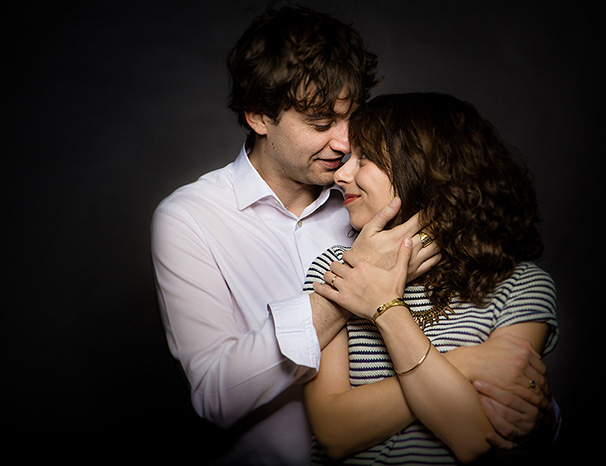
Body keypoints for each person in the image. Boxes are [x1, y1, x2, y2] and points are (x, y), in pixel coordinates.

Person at [151, 6, 557, 465]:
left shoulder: (375, 200)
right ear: (259, 117)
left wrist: (535, 412)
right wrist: (354, 287)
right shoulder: (191, 218)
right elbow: (216, 396)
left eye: (352, 119)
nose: (344, 144)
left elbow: (495, 351)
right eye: (321, 124)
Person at [304, 93, 559, 464]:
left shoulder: (522, 286)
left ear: (423, 170)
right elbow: (334, 431)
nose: (341, 174)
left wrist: (384, 308)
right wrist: (468, 363)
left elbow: (475, 436)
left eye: (365, 158)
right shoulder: (337, 269)